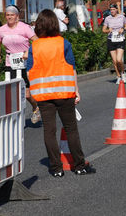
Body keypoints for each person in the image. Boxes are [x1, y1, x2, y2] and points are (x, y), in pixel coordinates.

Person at [27, 9, 94, 177]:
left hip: (43, 95)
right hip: (64, 93)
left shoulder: (34, 47)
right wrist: (76, 91)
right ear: (55, 24)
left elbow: (29, 71)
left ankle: (56, 168)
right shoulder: (63, 43)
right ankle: (79, 165)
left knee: (49, 131)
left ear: (39, 26)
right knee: (71, 129)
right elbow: (72, 69)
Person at [0, 5, 40, 123]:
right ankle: (16, 117)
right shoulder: (2, 29)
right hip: (10, 62)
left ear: (17, 16)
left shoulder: (24, 28)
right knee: (13, 91)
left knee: (27, 94)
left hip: (25, 61)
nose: (9, 17)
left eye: (12, 15)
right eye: (7, 15)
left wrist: (27, 52)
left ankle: (36, 107)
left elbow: (37, 41)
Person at [103, 4, 126, 84]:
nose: (112, 11)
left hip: (120, 39)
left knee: (118, 59)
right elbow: (103, 30)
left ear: (116, 10)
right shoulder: (107, 18)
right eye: (111, 10)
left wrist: (123, 29)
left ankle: (123, 73)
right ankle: (118, 76)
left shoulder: (121, 17)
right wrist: (108, 30)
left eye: (113, 9)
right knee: (114, 61)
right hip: (111, 40)